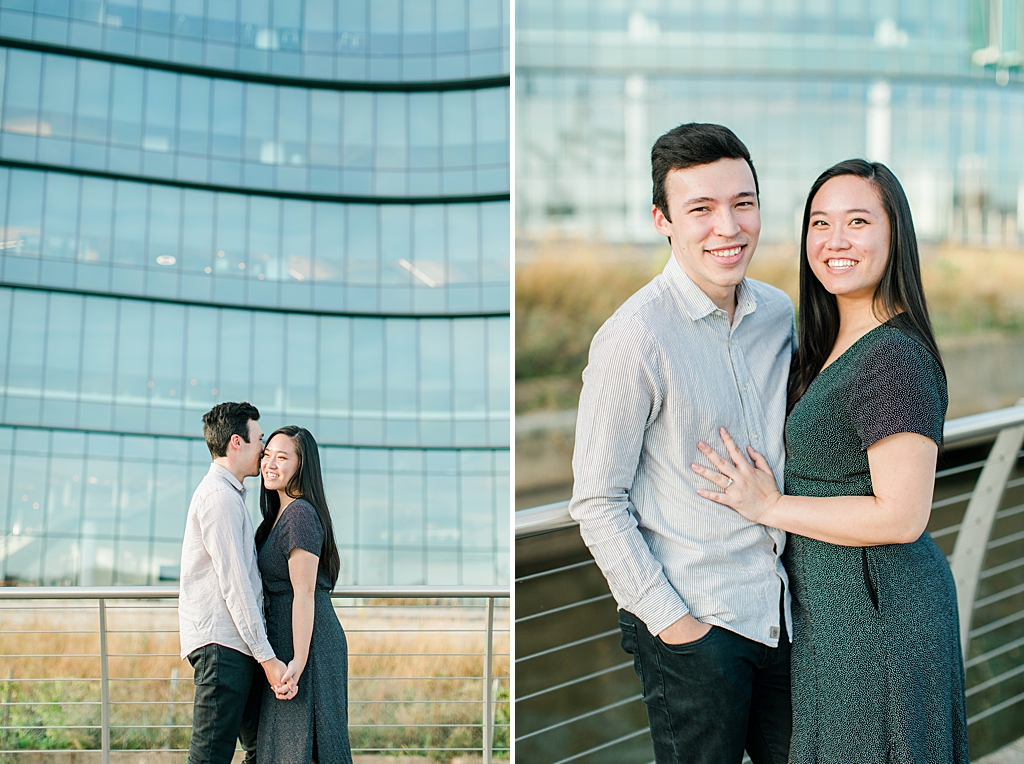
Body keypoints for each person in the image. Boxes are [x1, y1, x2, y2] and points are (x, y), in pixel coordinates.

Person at [693, 159, 969, 762]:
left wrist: (769, 505)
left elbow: (901, 516)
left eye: (858, 222)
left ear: (895, 235)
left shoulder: (892, 357)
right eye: (820, 223)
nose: (834, 241)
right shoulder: (823, 343)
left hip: (878, 615)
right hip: (834, 616)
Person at [568, 123, 795, 764]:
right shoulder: (634, 337)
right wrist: (673, 624)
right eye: (701, 209)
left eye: (742, 203)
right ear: (662, 220)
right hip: (696, 626)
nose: (728, 226)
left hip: (778, 610)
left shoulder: (779, 314)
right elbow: (596, 501)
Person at [179, 401, 293, 764]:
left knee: (263, 749)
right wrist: (268, 658)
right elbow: (237, 587)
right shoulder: (219, 499)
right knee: (210, 756)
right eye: (260, 439)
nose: (263, 449)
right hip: (222, 648)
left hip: (235, 648)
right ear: (236, 442)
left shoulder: (230, 496)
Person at [255, 425, 352, 764]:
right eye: (267, 455)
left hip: (310, 645)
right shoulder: (274, 518)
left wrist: (299, 659)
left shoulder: (300, 514)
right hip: (289, 642)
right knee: (290, 749)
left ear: (302, 465)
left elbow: (305, 593)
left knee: (309, 749)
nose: (270, 463)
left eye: (282, 457)